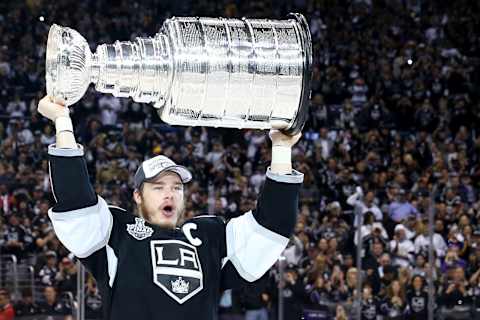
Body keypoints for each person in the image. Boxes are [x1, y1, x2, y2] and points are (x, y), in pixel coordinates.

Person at [38, 96, 304, 320]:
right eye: (158, 187)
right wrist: (63, 121)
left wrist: (281, 149)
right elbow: (76, 201)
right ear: (138, 196)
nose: (170, 193)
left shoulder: (209, 235)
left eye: (177, 187)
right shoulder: (117, 232)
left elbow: (271, 226)